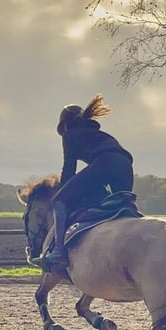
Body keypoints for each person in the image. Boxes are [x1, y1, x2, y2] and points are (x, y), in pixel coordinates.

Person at [39, 94, 134, 269]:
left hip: (105, 163)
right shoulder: (99, 134)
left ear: (65, 125)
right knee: (123, 206)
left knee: (59, 201)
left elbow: (69, 169)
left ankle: (59, 251)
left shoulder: (70, 135)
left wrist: (61, 192)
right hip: (125, 166)